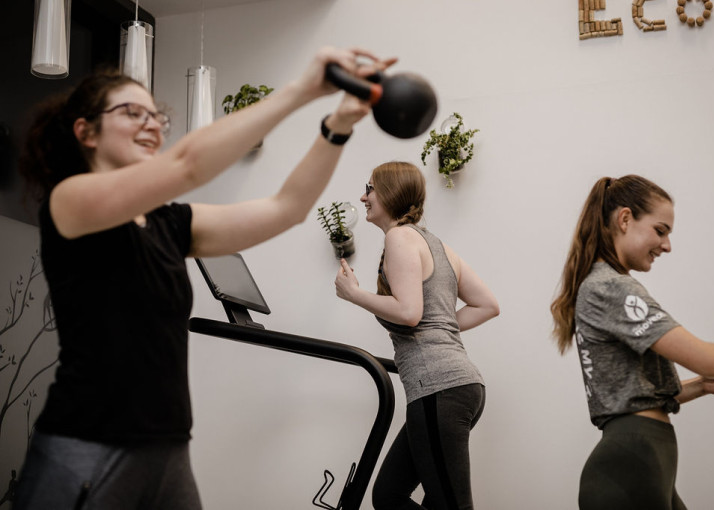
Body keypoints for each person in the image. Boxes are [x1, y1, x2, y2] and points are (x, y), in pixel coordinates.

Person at [13, 46, 396, 510]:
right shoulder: (70, 202)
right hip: (87, 447)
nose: (152, 123)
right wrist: (302, 89)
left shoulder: (168, 224)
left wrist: (337, 127)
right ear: (85, 131)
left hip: (168, 448)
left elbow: (286, 209)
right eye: (133, 112)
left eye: (157, 117)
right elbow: (187, 165)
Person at [550, 175, 714, 510]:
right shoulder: (611, 288)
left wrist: (704, 386)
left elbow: (637, 395)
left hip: (643, 464)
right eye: (661, 230)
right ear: (625, 219)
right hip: (631, 465)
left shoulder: (604, 287)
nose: (667, 245)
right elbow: (711, 360)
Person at [334, 161, 499, 510]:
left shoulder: (399, 237)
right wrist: (441, 328)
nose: (363, 197)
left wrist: (354, 294)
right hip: (458, 386)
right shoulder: (437, 245)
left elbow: (410, 314)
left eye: (370, 188)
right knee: (389, 495)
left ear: (390, 193)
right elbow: (487, 305)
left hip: (439, 388)